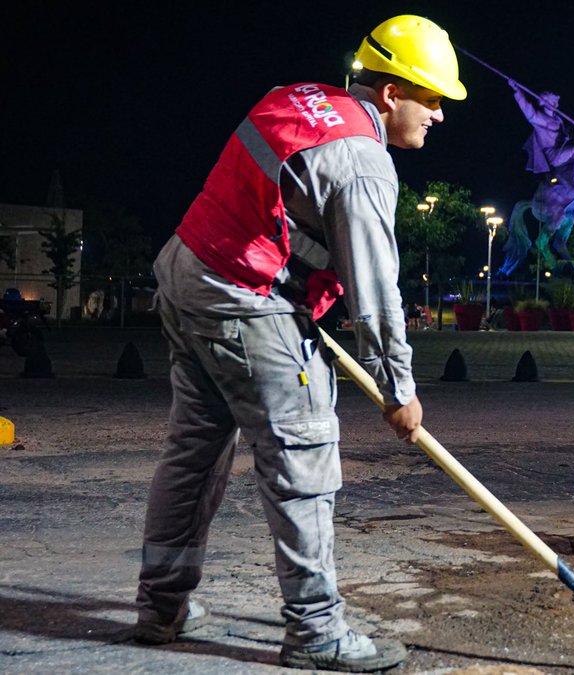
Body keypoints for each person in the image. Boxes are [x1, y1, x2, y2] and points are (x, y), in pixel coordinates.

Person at [131, 15, 466, 672]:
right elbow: (376, 291)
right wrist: (399, 389)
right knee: (303, 451)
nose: (440, 115)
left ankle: (160, 605)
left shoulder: (299, 98)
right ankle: (315, 630)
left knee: (194, 453)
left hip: (186, 271)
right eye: (432, 99)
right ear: (392, 92)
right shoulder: (364, 163)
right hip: (239, 297)